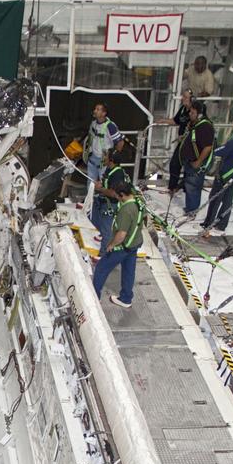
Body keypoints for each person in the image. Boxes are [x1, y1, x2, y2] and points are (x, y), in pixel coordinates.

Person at [92, 178, 145, 309]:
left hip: (122, 246)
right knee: (128, 271)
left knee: (101, 268)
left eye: (116, 195)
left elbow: (121, 235)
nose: (116, 197)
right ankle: (126, 298)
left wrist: (111, 245)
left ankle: (94, 299)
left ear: (122, 195)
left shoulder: (126, 210)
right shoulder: (139, 201)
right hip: (135, 243)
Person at [199, 118, 233, 239]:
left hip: (225, 176)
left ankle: (208, 223)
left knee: (214, 199)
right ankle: (221, 225)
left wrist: (210, 145)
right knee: (227, 201)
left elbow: (218, 151)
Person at [85, 103, 125, 246]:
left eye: (98, 109)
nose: (95, 111)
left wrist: (113, 157)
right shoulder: (93, 124)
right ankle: (91, 213)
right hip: (93, 159)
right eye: (95, 109)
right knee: (90, 187)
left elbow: (120, 143)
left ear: (104, 113)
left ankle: (103, 223)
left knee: (103, 188)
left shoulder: (110, 126)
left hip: (104, 161)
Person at [178, 100, 217, 216]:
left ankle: (192, 211)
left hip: (196, 163)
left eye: (193, 113)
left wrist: (198, 161)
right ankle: (190, 208)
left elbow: (208, 147)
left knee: (193, 187)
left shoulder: (205, 127)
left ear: (199, 114)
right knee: (190, 185)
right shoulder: (196, 124)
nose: (190, 114)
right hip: (190, 161)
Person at [159, 88, 194, 195]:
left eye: (186, 97)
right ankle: (172, 187)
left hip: (191, 144)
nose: (183, 99)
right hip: (182, 142)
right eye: (183, 96)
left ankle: (186, 188)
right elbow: (176, 120)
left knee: (188, 166)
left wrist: (186, 136)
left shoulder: (194, 111)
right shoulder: (183, 109)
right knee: (174, 163)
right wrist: (163, 120)